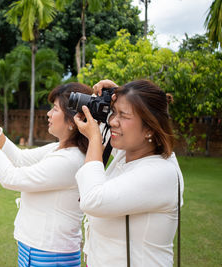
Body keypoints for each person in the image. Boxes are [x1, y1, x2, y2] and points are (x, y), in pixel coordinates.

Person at [0, 83, 91, 266]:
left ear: (72, 120)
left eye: (55, 109)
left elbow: (10, 177)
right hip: (34, 246)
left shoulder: (70, 159)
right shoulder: (59, 149)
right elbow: (20, 158)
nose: (48, 114)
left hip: (51, 253)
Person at [73, 79, 184, 266]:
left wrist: (94, 139)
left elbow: (92, 200)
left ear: (149, 128)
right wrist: (118, 94)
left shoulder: (162, 173)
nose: (112, 121)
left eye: (123, 116)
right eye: (114, 112)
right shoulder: (127, 156)